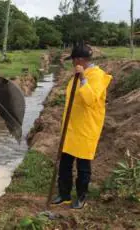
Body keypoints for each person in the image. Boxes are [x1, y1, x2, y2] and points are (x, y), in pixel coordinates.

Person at [52, 44, 112, 209]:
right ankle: (64, 195)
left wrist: (83, 78)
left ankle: (81, 197)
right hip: (71, 128)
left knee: (83, 166)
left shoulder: (97, 76)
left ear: (79, 60)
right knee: (65, 163)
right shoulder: (76, 75)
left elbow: (90, 99)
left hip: (86, 128)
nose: (72, 63)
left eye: (73, 60)